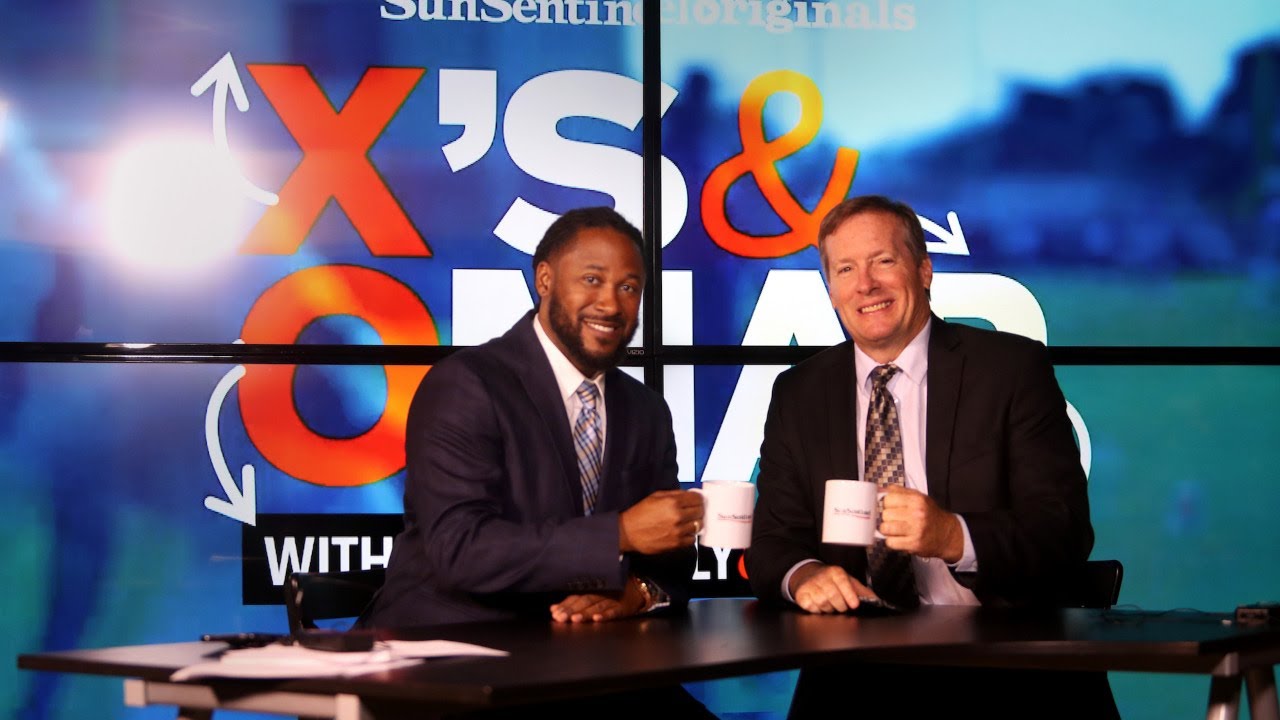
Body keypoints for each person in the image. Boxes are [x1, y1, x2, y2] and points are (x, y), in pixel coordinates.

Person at [744, 195, 1119, 718]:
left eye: (883, 261)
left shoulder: (1009, 370)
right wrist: (805, 575)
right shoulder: (799, 392)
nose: (865, 284)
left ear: (924, 271)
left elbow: (1064, 531)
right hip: (855, 664)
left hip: (1002, 660)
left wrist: (953, 536)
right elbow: (771, 541)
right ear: (830, 290)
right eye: (845, 269)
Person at [363, 206, 714, 718]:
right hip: (454, 658)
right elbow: (461, 550)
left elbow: (671, 555)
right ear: (544, 280)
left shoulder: (646, 410)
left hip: (586, 663)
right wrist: (619, 534)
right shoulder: (467, 384)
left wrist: (636, 593)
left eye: (629, 287)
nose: (611, 303)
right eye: (592, 279)